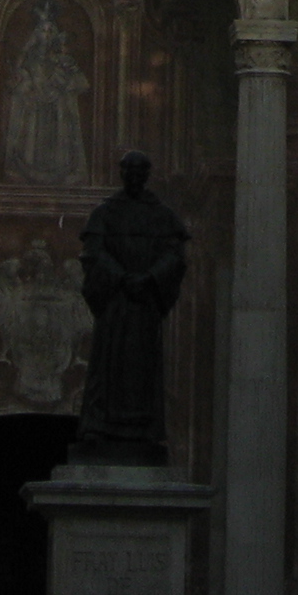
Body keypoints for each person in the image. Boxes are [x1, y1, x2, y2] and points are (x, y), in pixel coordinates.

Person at [71, 150, 190, 463]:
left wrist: (150, 277)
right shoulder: (105, 213)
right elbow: (93, 252)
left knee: (143, 367)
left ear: (147, 175)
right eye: (129, 171)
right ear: (121, 173)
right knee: (106, 365)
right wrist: (121, 277)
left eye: (140, 171)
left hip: (144, 303)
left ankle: (144, 430)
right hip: (116, 301)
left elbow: (174, 255)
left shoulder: (162, 215)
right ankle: (98, 427)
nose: (134, 176)